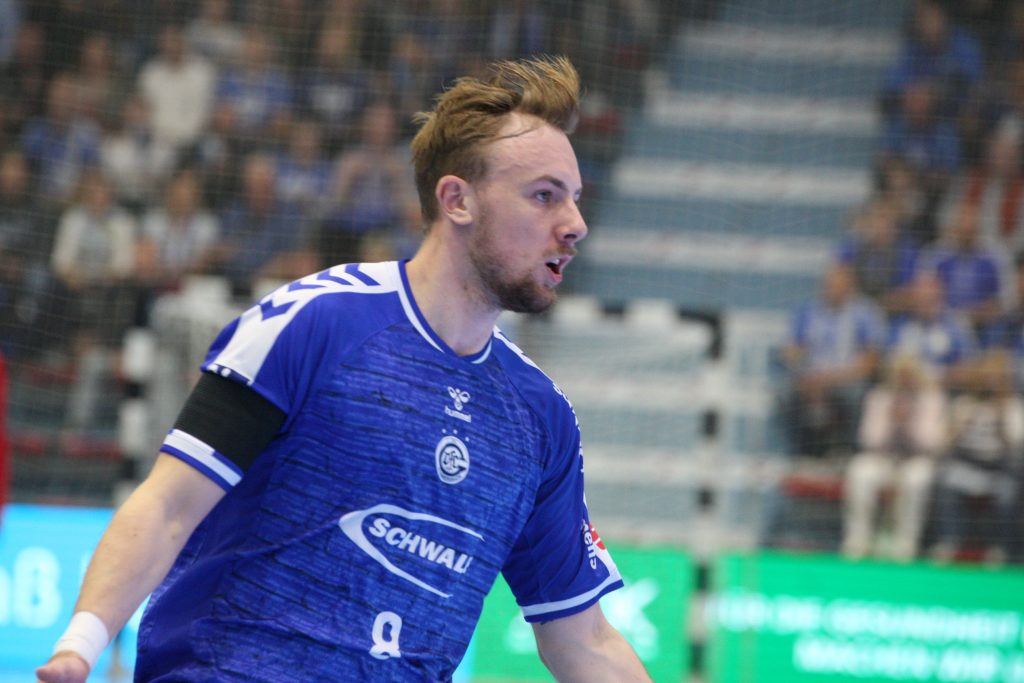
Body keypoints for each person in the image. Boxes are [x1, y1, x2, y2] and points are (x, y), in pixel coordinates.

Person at [36, 56, 650, 683]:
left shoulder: (539, 417)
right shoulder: (317, 322)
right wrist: (80, 646)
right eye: (544, 196)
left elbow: (584, 639)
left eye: (575, 200)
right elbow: (169, 505)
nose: (575, 225)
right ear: (457, 200)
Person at [841, 353, 947, 561]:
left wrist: (909, 423)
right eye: (900, 375)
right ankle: (858, 539)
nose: (904, 380)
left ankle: (906, 542)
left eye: (909, 375)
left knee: (917, 479)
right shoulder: (880, 396)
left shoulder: (931, 398)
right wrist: (891, 420)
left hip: (916, 459)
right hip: (883, 457)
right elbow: (868, 439)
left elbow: (933, 443)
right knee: (860, 470)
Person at [780, 264, 886, 458]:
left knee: (857, 395)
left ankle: (851, 453)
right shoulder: (807, 311)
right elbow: (791, 351)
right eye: (829, 285)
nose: (832, 290)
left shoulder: (865, 313)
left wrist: (829, 379)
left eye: (838, 285)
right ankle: (801, 454)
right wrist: (801, 369)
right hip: (812, 378)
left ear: (850, 286)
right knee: (787, 394)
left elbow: (870, 362)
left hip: (847, 378)